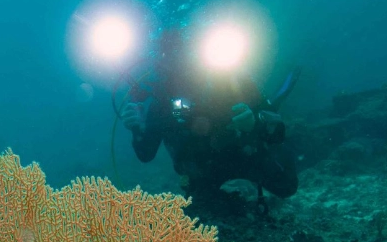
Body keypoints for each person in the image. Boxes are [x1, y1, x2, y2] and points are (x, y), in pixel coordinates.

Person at [120, 28, 299, 211]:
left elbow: (278, 134)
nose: (181, 67)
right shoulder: (162, 103)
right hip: (203, 176)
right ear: (162, 65)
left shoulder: (232, 83)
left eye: (184, 55)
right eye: (171, 60)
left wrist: (255, 123)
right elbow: (146, 155)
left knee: (287, 186)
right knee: (205, 212)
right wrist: (137, 128)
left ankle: (281, 107)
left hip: (244, 158)